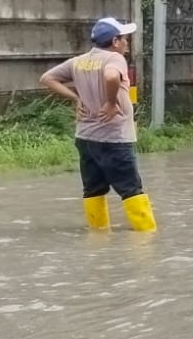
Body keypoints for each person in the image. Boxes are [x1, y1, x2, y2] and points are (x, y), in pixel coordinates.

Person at [39, 16, 158, 232]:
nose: (127, 43)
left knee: (93, 189)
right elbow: (111, 77)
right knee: (131, 189)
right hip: (115, 139)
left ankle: (99, 236)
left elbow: (47, 78)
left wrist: (76, 98)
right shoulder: (114, 59)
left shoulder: (79, 61)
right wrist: (111, 103)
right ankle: (147, 237)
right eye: (124, 39)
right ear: (114, 41)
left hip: (85, 138)